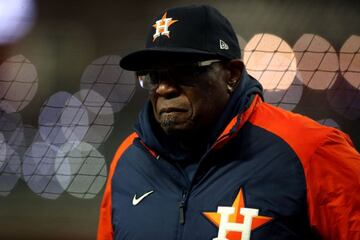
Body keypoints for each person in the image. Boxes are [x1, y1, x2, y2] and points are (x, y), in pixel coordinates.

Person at [97, 4, 360, 240]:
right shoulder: (128, 160)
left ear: (231, 74)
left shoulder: (310, 150)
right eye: (154, 76)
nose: (164, 88)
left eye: (184, 70)